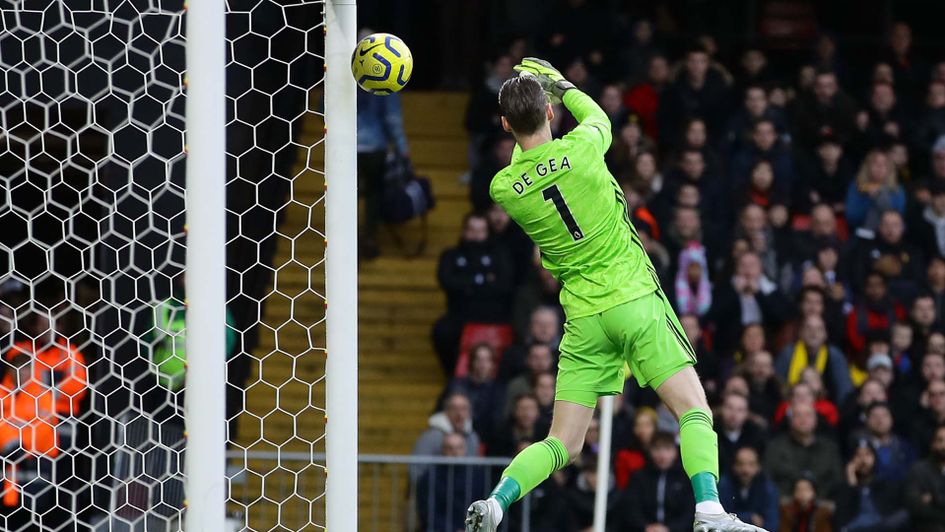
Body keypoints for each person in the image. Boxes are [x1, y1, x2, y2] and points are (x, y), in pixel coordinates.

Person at [464, 58, 765, 532]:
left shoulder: (504, 188)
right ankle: (709, 510)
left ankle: (497, 502)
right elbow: (598, 115)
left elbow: (530, 163)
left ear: (504, 125)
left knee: (562, 444)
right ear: (550, 112)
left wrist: (528, 109)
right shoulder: (584, 147)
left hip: (584, 320)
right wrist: (561, 84)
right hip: (633, 300)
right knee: (694, 410)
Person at [432, 213, 515, 375]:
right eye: (472, 230)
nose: (476, 235)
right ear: (463, 231)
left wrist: (468, 283)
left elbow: (505, 285)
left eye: (480, 231)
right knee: (442, 332)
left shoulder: (499, 254)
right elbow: (447, 281)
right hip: (460, 316)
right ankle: (452, 375)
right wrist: (483, 281)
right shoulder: (451, 255)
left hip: (493, 316)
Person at [356, 59, 409, 258]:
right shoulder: (387, 80)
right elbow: (392, 118)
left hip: (345, 147)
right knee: (374, 193)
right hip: (374, 146)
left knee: (348, 193)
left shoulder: (344, 77)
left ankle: (346, 238)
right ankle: (368, 237)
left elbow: (323, 109)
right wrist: (402, 148)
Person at [613, 432, 697, 532]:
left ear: (675, 452)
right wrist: (646, 527)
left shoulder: (684, 478)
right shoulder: (639, 477)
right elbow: (631, 507)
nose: (662, 455)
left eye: (667, 449)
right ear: (650, 451)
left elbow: (689, 512)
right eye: (657, 449)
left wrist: (669, 529)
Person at [765, 402, 843, 497]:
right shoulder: (775, 447)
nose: (803, 419)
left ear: (816, 420)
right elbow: (768, 480)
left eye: (808, 415)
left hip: (823, 502)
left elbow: (837, 481)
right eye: (798, 415)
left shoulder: (829, 448)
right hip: (784, 502)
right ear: (790, 420)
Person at [416, 433, 486, 532]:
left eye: (459, 447)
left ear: (465, 449)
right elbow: (428, 513)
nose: (455, 452)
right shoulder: (429, 478)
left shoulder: (476, 476)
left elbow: (483, 507)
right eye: (450, 448)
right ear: (443, 450)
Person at [834, 441, 910, 532]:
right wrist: (851, 482)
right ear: (851, 460)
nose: (863, 460)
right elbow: (840, 520)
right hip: (855, 529)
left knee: (902, 516)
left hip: (880, 527)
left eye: (867, 454)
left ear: (875, 458)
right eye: (858, 455)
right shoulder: (843, 488)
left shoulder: (885, 485)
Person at [718, 447, 779, 531]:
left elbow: (771, 525)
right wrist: (750, 518)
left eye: (751, 464)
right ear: (734, 466)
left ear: (758, 467)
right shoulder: (724, 485)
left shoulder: (768, 488)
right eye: (740, 464)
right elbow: (721, 521)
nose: (745, 470)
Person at [904, 425, 945, 532]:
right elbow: (915, 506)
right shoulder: (918, 469)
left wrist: (934, 498)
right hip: (929, 525)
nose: (944, 445)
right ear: (932, 444)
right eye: (940, 440)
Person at [716, 393, 766, 476]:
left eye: (740, 410)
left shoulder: (756, 436)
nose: (733, 414)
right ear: (721, 409)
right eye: (729, 407)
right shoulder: (711, 433)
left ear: (747, 414)